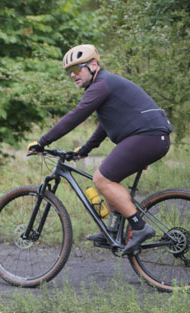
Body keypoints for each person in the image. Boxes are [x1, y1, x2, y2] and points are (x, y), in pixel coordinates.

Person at [27, 44, 173, 255]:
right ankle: (112, 231)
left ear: (94, 65)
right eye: (69, 71)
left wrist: (43, 141)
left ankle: (139, 227)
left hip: (147, 137)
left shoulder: (101, 84)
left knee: (102, 179)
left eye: (76, 69)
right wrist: (84, 150)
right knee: (110, 179)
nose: (72, 75)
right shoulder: (105, 86)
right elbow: (104, 126)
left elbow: (76, 116)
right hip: (152, 137)